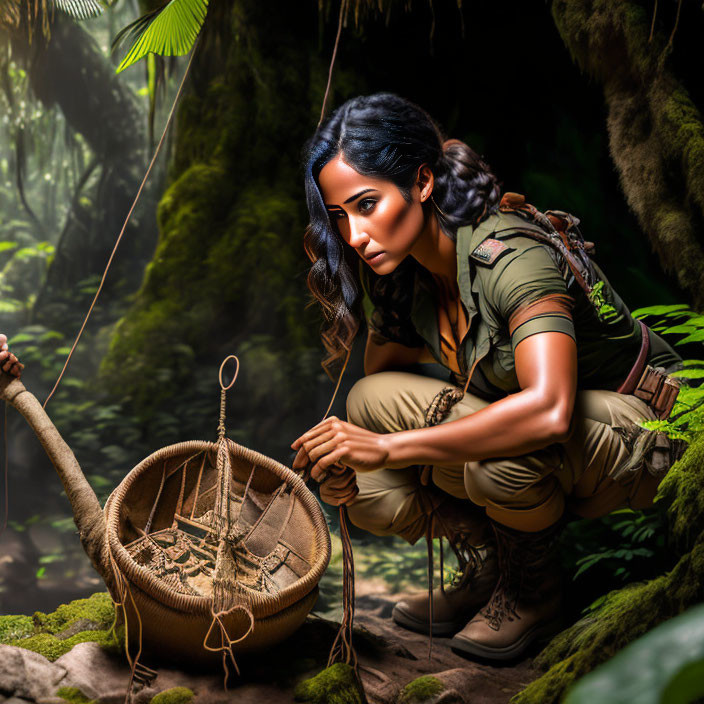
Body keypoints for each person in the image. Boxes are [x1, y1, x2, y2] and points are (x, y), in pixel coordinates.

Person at [290, 93, 684, 661]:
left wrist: (387, 447)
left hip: (652, 427)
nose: (354, 236)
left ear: (422, 182)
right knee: (368, 406)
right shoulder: (408, 276)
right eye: (340, 217)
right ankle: (495, 565)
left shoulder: (511, 256)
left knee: (498, 452)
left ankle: (534, 592)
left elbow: (548, 410)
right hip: (569, 436)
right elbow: (380, 404)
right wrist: (353, 460)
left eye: (367, 205)